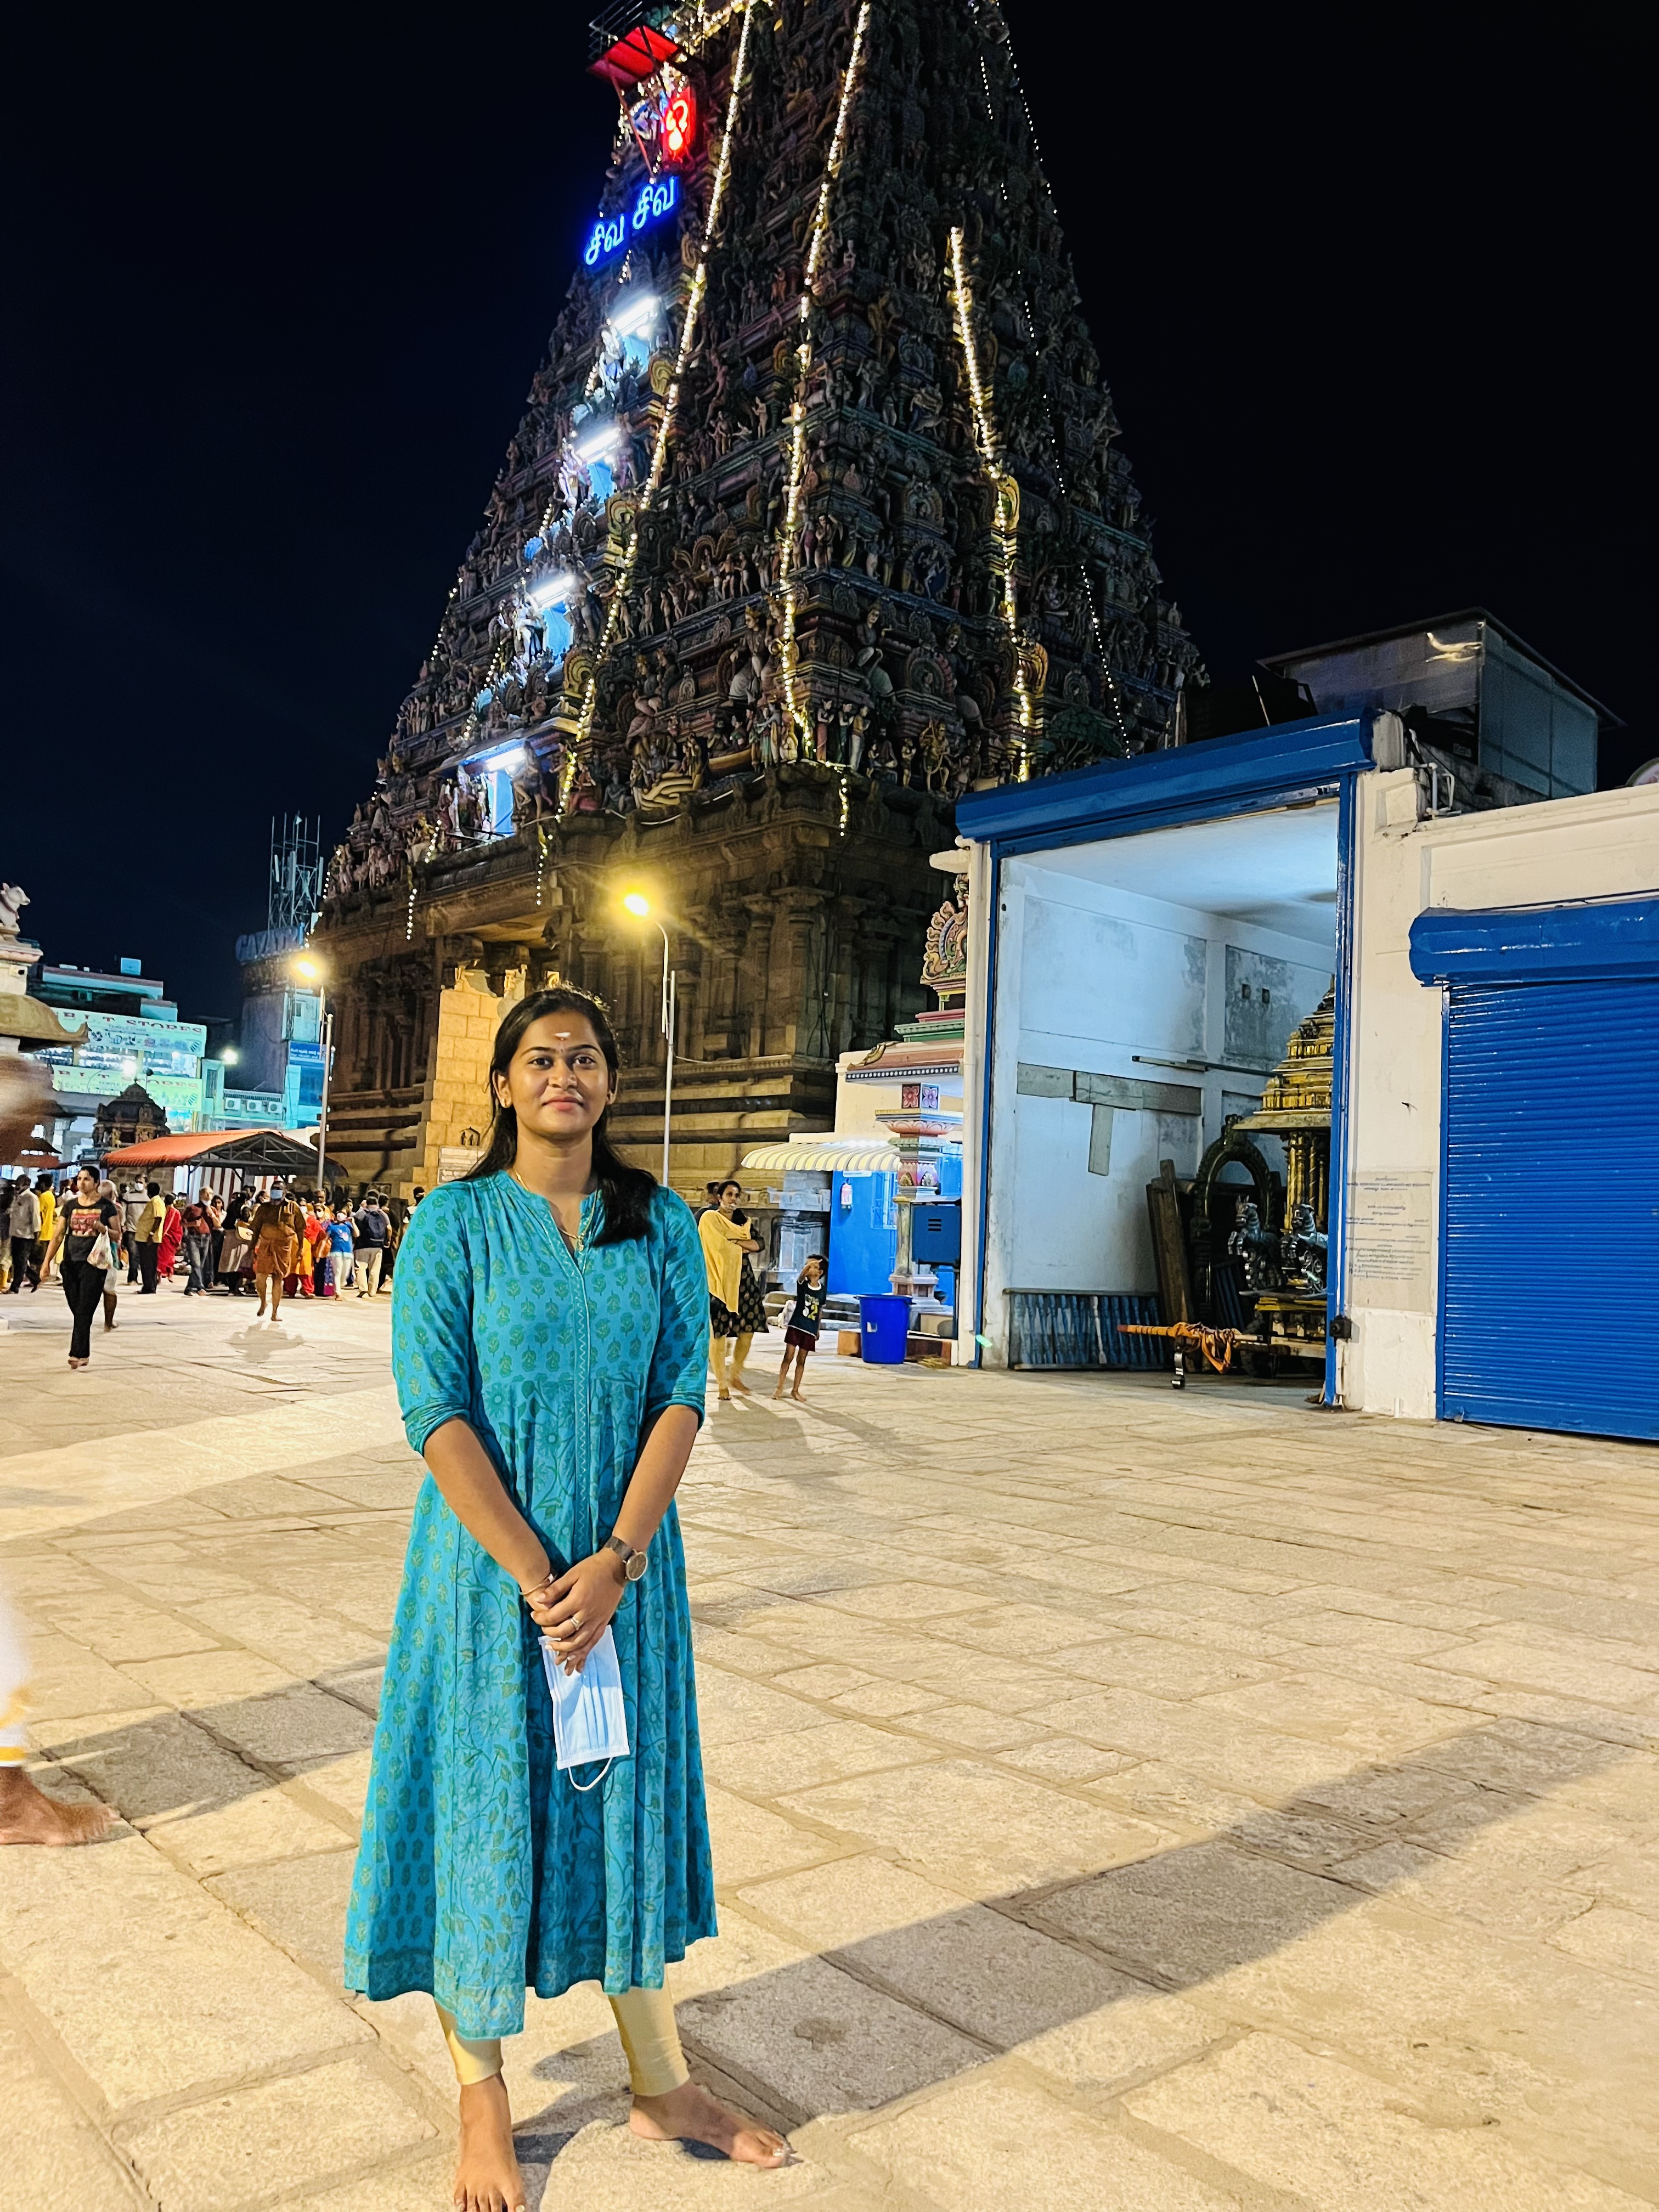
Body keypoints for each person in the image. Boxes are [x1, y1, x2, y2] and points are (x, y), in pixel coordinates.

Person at [343, 985, 786, 2212]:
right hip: (488, 1583)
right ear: (503, 1084)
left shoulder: (661, 1222)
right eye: (539, 1059)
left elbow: (681, 1395)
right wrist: (542, 1574)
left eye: (584, 1058)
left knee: (620, 1804)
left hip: (627, 1576)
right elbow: (434, 1409)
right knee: (484, 1809)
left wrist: (617, 1561)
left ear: (609, 1082)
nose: (563, 1078)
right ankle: (482, 2095)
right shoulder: (453, 1222)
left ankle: (662, 2084)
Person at [43, 1165, 120, 1369]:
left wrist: (103, 1229)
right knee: (78, 1308)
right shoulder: (70, 1206)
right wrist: (46, 1262)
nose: (82, 1183)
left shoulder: (107, 1207)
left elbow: (117, 1235)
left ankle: (78, 1353)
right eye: (79, 1179)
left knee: (84, 1308)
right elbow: (58, 1234)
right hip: (70, 1263)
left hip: (94, 1264)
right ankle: (81, 1351)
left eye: (86, 1179)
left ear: (96, 1183)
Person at [698, 1178, 763, 1401]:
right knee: (719, 1335)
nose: (733, 1199)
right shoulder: (708, 1218)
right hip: (718, 1284)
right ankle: (721, 1384)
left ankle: (736, 1375)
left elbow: (758, 1244)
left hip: (744, 1282)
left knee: (748, 1332)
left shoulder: (743, 1221)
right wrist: (740, 1246)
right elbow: (714, 1247)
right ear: (720, 1198)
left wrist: (733, 1243)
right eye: (729, 1195)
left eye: (736, 1195)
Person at [773, 1252, 827, 1401]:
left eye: (813, 1266)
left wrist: (817, 1329)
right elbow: (801, 1277)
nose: (808, 1268)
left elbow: (820, 1310)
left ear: (820, 1273)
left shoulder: (822, 1291)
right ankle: (780, 1387)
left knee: (802, 1359)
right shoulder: (803, 1285)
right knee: (788, 1356)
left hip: (809, 1329)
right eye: (807, 1265)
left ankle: (795, 1390)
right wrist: (808, 1266)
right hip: (796, 1326)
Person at [249, 1182, 306, 1322]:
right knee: (260, 1277)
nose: (276, 1192)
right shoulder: (263, 1208)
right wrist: (252, 1247)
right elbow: (256, 1228)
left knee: (278, 1278)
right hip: (266, 1245)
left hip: (283, 1247)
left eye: (279, 1190)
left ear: (285, 1192)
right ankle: (263, 1302)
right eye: (273, 1189)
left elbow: (300, 1229)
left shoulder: (293, 1207)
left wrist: (300, 1249)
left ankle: (275, 1313)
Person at [97, 1178, 126, 1331]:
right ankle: (108, 1323)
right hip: (109, 1251)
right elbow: (118, 1233)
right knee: (109, 1289)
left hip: (92, 1252)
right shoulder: (116, 1209)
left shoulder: (90, 1206)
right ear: (113, 1194)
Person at [4, 1175, 40, 1293]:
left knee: (20, 1261)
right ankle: (36, 1279)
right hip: (15, 1234)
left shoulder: (31, 1198)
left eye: (19, 1182)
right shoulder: (17, 1197)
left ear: (26, 1184)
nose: (17, 1185)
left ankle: (15, 1287)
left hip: (26, 1235)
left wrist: (37, 1235)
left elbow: (35, 1218)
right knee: (18, 1261)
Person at [353, 1189, 391, 1297]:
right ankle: (372, 1291)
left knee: (361, 1267)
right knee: (375, 1269)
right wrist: (388, 1240)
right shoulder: (382, 1214)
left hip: (362, 1246)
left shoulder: (360, 1214)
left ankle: (363, 1290)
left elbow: (355, 1229)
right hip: (378, 1246)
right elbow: (389, 1228)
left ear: (367, 1204)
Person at [218, 1188, 253, 1292]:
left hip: (229, 1235)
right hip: (239, 1237)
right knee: (237, 1264)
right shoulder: (244, 1208)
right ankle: (235, 1289)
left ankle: (231, 1288)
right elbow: (246, 1219)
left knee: (230, 1263)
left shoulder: (232, 1205)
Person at [132, 1181, 165, 1293]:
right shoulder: (156, 1201)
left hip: (148, 1238)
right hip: (145, 1237)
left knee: (148, 1264)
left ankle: (149, 1287)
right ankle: (150, 1286)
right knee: (148, 1263)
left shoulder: (155, 1202)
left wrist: (151, 1234)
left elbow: (158, 1218)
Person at [181, 1193, 214, 1296]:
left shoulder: (211, 1210)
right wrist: (192, 1224)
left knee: (201, 1265)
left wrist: (212, 1215)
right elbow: (182, 1223)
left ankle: (190, 1288)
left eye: (211, 1194)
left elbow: (218, 1224)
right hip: (194, 1238)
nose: (209, 1196)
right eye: (207, 1193)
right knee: (196, 1264)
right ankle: (200, 1287)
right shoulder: (192, 1208)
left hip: (206, 1238)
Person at [325, 1204, 354, 1297]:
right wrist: (321, 1250)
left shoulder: (348, 1226)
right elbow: (325, 1239)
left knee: (345, 1274)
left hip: (348, 1252)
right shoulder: (332, 1226)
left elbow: (357, 1234)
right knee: (337, 1271)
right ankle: (338, 1293)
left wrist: (353, 1223)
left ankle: (338, 1287)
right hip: (336, 1252)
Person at [156, 1189, 184, 1288]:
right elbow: (179, 1228)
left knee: (164, 1258)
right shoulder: (173, 1212)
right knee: (166, 1258)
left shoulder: (173, 1212)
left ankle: (163, 1275)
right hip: (167, 1238)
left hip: (167, 1238)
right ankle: (166, 1275)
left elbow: (177, 1227)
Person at [33, 1175, 57, 1286]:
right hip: (49, 1231)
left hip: (42, 1231)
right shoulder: (51, 1196)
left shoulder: (43, 1197)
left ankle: (38, 1279)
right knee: (43, 1258)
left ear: (43, 1184)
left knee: (38, 1257)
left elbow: (39, 1215)